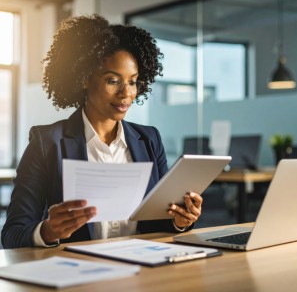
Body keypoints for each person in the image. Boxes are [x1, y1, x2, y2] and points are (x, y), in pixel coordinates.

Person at [1, 15, 202, 249]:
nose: (126, 93)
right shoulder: (47, 143)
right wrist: (48, 231)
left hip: (143, 270)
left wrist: (180, 221)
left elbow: (160, 223)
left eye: (133, 82)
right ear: (85, 78)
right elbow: (12, 235)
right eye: (113, 80)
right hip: (78, 273)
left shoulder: (149, 140)